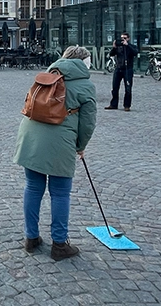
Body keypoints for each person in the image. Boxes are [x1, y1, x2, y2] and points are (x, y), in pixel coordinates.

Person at [13, 45, 97, 260]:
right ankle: (59, 244)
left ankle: (31, 238)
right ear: (83, 62)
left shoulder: (47, 75)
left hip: (31, 134)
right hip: (60, 139)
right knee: (60, 193)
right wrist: (81, 146)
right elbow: (88, 122)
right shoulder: (85, 85)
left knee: (33, 187)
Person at [105, 32, 138, 112]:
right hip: (118, 68)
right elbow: (111, 54)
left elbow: (135, 53)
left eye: (125, 38)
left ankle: (127, 105)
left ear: (128, 39)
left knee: (128, 88)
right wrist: (114, 47)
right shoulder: (118, 47)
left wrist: (128, 45)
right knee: (115, 88)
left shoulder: (131, 46)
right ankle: (113, 104)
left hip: (128, 69)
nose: (123, 40)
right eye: (122, 38)